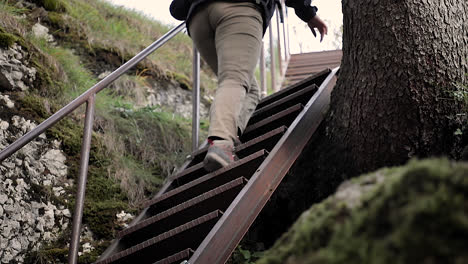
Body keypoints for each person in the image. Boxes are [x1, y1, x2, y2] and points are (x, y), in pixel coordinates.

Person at [170, 0, 328, 172]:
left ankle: (230, 131)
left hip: (197, 18)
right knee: (234, 78)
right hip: (239, 8)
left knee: (251, 90)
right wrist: (308, 13)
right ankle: (222, 143)